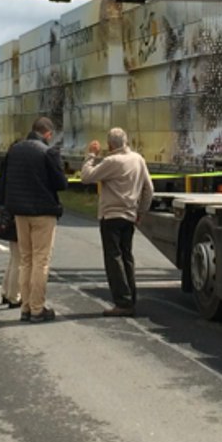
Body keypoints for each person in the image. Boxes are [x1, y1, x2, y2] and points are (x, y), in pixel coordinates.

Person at [0, 116, 67, 323]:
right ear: (48, 134)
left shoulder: (15, 150)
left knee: (25, 261)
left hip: (19, 213)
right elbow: (61, 183)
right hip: (43, 212)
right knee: (41, 261)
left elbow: (5, 180)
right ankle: (37, 308)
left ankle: (25, 306)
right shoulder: (48, 152)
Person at [79, 127, 154, 317]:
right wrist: (141, 211)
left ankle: (122, 302)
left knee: (113, 258)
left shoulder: (112, 161)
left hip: (111, 215)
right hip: (130, 214)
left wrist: (91, 155)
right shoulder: (138, 159)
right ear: (126, 141)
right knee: (127, 257)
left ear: (110, 145)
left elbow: (86, 177)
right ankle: (131, 297)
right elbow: (149, 189)